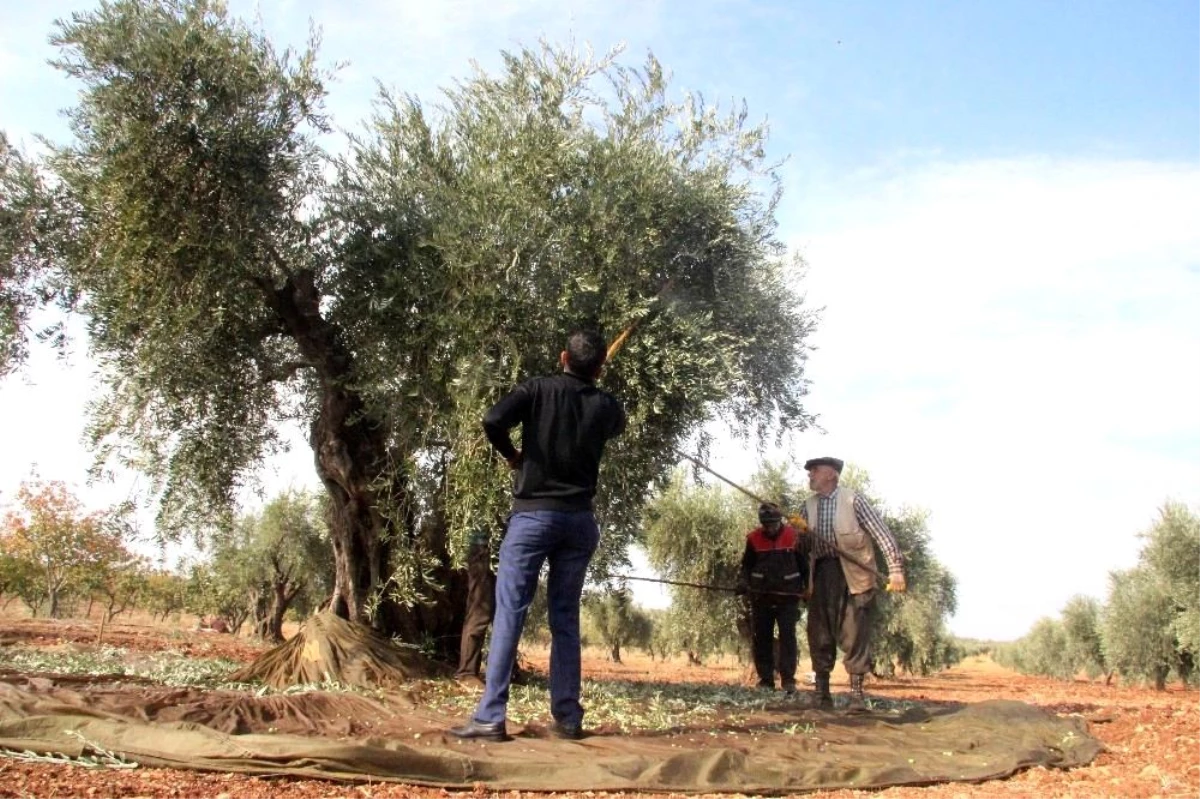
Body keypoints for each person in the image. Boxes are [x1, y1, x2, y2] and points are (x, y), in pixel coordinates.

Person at [449, 329, 626, 742]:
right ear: (600, 366)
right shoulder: (606, 406)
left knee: (511, 611)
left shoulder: (536, 389)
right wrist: (594, 386)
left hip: (532, 518)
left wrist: (514, 456)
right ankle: (567, 718)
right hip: (579, 522)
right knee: (565, 617)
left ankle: (491, 717)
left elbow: (493, 419)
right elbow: (614, 422)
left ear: (562, 355)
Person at [797, 456, 906, 712]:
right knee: (818, 632)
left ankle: (857, 697)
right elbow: (802, 548)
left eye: (815, 470)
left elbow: (881, 533)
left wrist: (896, 570)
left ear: (831, 474)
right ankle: (821, 694)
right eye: (809, 471)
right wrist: (799, 534)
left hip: (853, 575)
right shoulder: (807, 506)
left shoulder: (852, 500)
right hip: (822, 574)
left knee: (854, 632)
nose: (810, 474)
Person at [738, 502, 807, 694]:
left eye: (774, 524)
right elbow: (746, 565)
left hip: (788, 597)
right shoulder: (753, 539)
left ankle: (788, 680)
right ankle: (766, 680)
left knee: (788, 637)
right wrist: (743, 582)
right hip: (761, 597)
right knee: (762, 638)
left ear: (780, 521)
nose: (770, 529)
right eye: (766, 525)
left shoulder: (793, 536)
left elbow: (804, 566)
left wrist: (808, 588)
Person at [454, 528, 496, 688]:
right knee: (480, 612)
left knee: (504, 613)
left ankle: (506, 671)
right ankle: (467, 673)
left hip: (499, 550)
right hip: (481, 548)